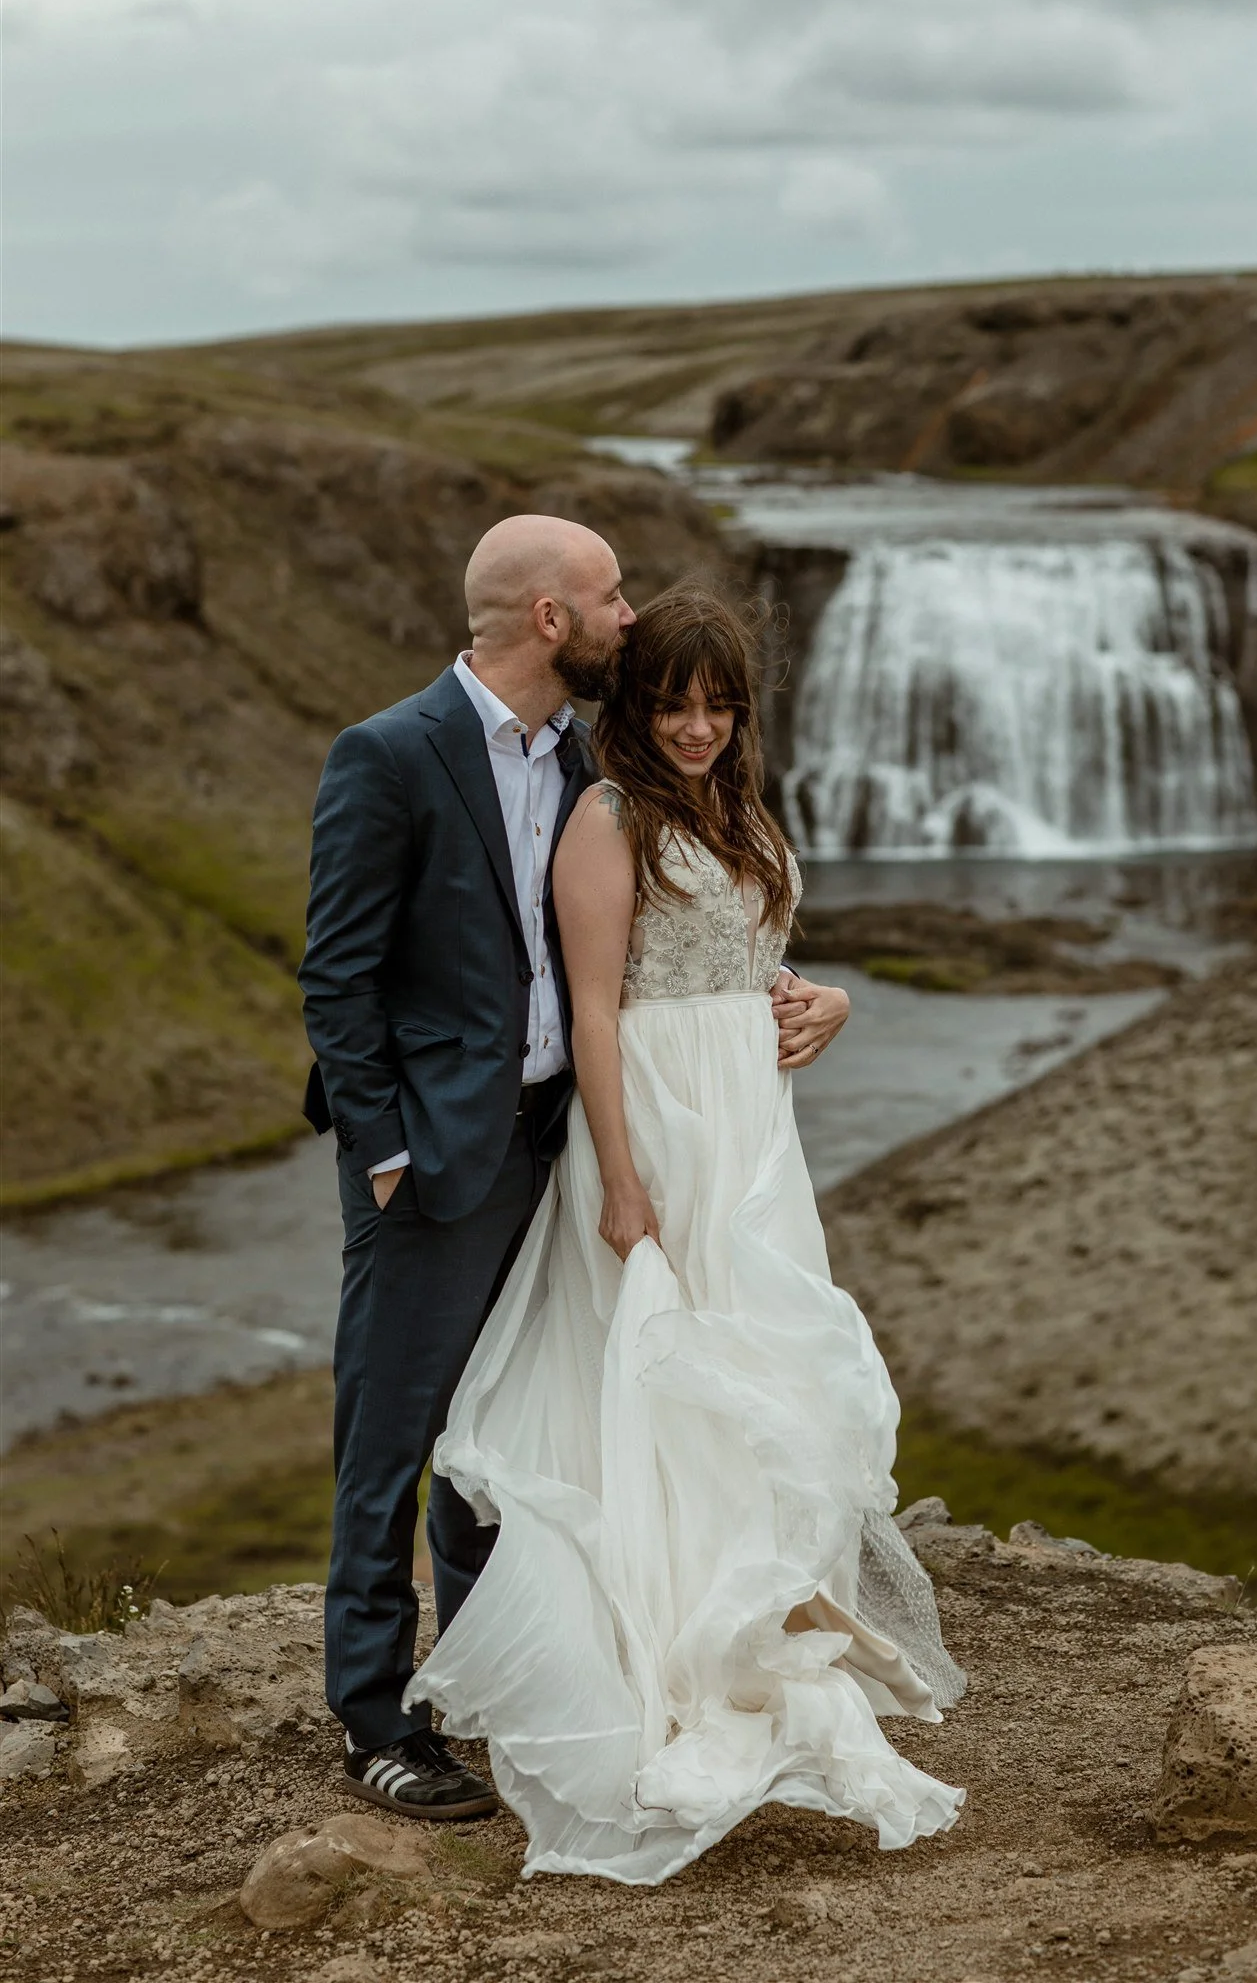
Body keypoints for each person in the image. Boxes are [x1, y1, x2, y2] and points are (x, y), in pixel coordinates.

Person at [405, 585, 965, 1882]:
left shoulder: (740, 812)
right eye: (673, 700)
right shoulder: (609, 819)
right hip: (656, 1121)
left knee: (757, 1371)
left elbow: (758, 965)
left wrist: (825, 1003)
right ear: (635, 703)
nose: (699, 724)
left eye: (719, 702)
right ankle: (654, 1660)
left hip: (751, 1133)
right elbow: (596, 1013)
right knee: (659, 1384)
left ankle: (758, 1620)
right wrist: (619, 1175)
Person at [299, 519, 851, 1820]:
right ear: (551, 617)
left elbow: (676, 936)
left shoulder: (585, 757)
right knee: (397, 1431)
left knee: (516, 1421)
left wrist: (799, 999)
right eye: (607, 598)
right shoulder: (390, 754)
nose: (627, 615)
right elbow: (337, 971)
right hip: (438, 1155)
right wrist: (383, 1151)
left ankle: (488, 1686)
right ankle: (376, 1720)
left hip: (566, 1137)